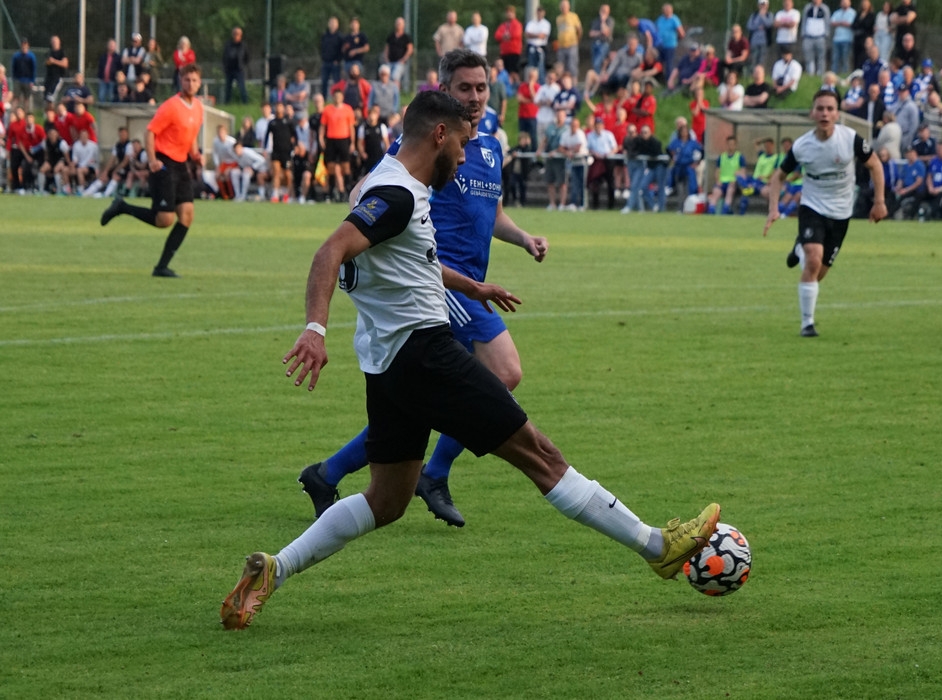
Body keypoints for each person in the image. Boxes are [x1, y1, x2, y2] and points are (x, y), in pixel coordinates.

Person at [218, 88, 721, 631]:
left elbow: (409, 258)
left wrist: (471, 287)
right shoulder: (397, 194)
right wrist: (315, 329)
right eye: (461, 142)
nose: (464, 156)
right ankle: (657, 548)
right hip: (427, 356)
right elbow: (330, 251)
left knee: (387, 500)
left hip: (388, 366)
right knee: (542, 457)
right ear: (439, 134)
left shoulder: (388, 182)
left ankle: (275, 568)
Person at [298, 49, 551, 528]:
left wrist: (523, 239)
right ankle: (434, 473)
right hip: (435, 279)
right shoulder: (424, 141)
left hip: (470, 283)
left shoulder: (489, 148)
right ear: (444, 91)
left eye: (481, 88)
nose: (474, 97)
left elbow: (493, 214)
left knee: (425, 398)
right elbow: (368, 190)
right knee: (504, 372)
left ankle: (327, 473)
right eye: (464, 88)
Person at [764, 89, 887, 338]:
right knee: (813, 260)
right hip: (812, 207)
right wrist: (773, 209)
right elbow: (778, 177)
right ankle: (807, 324)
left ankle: (799, 248)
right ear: (812, 113)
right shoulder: (802, 146)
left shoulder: (850, 139)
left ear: (837, 114)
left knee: (817, 273)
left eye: (830, 109)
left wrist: (879, 202)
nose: (825, 113)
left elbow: (875, 164)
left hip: (841, 213)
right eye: (820, 108)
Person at [99, 63, 204, 278]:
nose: (190, 84)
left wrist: (195, 154)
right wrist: (153, 160)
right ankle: (122, 207)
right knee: (164, 220)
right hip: (164, 162)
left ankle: (161, 267)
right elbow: (150, 132)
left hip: (181, 164)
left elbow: (191, 135)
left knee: (187, 216)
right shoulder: (171, 106)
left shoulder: (199, 108)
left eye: (194, 80)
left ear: (199, 83)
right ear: (180, 81)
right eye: (187, 80)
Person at [319, 88, 356, 202]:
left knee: (346, 166)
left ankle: (347, 192)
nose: (337, 98)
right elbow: (323, 126)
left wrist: (352, 142)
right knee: (330, 167)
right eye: (335, 96)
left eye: (339, 96)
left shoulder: (348, 109)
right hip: (331, 140)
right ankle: (330, 193)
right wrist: (321, 138)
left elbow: (351, 127)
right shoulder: (327, 110)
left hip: (343, 139)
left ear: (342, 97)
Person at [707, 135, 746, 214]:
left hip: (733, 183)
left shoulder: (740, 157)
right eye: (729, 144)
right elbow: (717, 171)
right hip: (722, 181)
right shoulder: (722, 157)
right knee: (716, 192)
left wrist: (736, 179)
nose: (730, 146)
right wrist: (718, 181)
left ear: (735, 145)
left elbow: (743, 173)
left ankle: (726, 209)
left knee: (730, 190)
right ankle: (711, 210)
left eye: (732, 144)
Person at [555, 0, 584, 81]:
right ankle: (562, 83)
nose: (563, 8)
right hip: (561, 46)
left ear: (568, 7)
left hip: (571, 45)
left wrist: (577, 40)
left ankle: (574, 84)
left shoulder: (573, 16)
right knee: (561, 66)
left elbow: (579, 30)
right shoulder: (558, 18)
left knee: (572, 66)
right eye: (562, 6)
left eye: (565, 6)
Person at [801, 0, 831, 76]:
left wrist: (826, 34)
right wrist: (803, 34)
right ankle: (810, 73)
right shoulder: (807, 8)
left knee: (821, 57)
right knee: (808, 57)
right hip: (808, 37)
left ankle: (820, 73)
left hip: (820, 37)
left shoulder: (825, 9)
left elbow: (827, 22)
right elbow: (804, 21)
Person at [655, 4, 685, 80]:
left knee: (669, 63)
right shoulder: (660, 19)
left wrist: (676, 39)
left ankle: (669, 80)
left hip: (670, 45)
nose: (666, 12)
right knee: (658, 62)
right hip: (660, 44)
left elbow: (681, 33)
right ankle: (659, 79)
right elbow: (656, 29)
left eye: (668, 10)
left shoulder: (674, 19)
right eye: (665, 10)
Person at [222, 27, 250, 104]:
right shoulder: (228, 45)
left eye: (238, 34)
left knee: (242, 87)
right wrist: (225, 66)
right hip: (229, 69)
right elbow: (224, 57)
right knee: (228, 88)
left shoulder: (243, 46)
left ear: (241, 35)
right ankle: (227, 103)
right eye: (234, 34)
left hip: (239, 70)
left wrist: (242, 65)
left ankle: (245, 103)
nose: (236, 36)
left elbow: (247, 57)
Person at [384, 17, 414, 90]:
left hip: (399, 62)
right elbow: (387, 48)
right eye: (397, 23)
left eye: (400, 24)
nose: (398, 25)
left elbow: (410, 49)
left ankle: (396, 93)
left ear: (403, 25)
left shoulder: (406, 37)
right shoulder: (391, 36)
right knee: (388, 77)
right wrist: (386, 58)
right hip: (390, 61)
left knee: (395, 77)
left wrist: (404, 59)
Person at [495, 6, 524, 77]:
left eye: (511, 12)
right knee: (505, 71)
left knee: (513, 72)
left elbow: (516, 34)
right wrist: (504, 36)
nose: (509, 14)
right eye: (508, 12)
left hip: (514, 52)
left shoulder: (517, 24)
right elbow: (497, 35)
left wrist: (507, 36)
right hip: (504, 52)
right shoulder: (503, 25)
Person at [747, 1, 775, 75]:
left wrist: (762, 16)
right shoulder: (754, 15)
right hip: (754, 41)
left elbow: (769, 24)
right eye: (761, 5)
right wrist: (758, 27)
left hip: (764, 41)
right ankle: (752, 74)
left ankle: (760, 74)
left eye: (764, 5)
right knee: (753, 59)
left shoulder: (769, 15)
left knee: (762, 59)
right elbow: (749, 26)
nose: (762, 6)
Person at [320, 17, 345, 99]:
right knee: (324, 81)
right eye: (331, 23)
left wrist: (338, 60)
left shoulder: (340, 37)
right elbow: (322, 47)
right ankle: (323, 98)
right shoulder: (325, 36)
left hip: (335, 63)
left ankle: (337, 98)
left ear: (337, 25)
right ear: (328, 24)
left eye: (334, 23)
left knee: (336, 82)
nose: (332, 25)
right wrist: (323, 57)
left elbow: (342, 50)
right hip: (326, 62)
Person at [830, 0, 856, 75]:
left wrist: (839, 23)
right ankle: (834, 74)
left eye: (846, 2)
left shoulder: (852, 13)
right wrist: (842, 23)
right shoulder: (837, 12)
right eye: (843, 2)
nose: (844, 3)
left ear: (849, 3)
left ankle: (845, 73)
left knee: (846, 58)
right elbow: (832, 22)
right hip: (836, 39)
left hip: (847, 39)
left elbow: (850, 24)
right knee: (835, 58)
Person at [44, 35, 69, 107]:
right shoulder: (49, 52)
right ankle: (48, 111)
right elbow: (46, 62)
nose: (54, 43)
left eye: (55, 42)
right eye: (53, 42)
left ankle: (53, 111)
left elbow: (65, 64)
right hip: (49, 78)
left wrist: (54, 61)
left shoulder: (62, 52)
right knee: (47, 97)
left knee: (51, 97)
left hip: (57, 78)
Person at [525, 6, 551, 72]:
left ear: (544, 13)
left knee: (541, 67)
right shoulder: (531, 23)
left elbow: (542, 36)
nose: (539, 14)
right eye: (538, 12)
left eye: (541, 12)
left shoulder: (546, 24)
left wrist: (533, 35)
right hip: (531, 46)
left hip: (541, 47)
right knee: (531, 67)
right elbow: (527, 34)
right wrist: (538, 35)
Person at [589, 4, 615, 74]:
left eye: (606, 11)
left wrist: (603, 21)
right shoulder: (596, 21)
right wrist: (600, 32)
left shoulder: (610, 21)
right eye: (603, 11)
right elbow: (591, 33)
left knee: (597, 63)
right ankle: (597, 76)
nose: (604, 12)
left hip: (604, 44)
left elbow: (606, 32)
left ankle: (598, 78)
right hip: (595, 43)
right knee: (594, 63)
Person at [97, 39, 122, 103]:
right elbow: (100, 67)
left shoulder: (118, 57)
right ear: (107, 46)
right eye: (110, 45)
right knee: (101, 96)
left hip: (112, 80)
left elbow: (120, 68)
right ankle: (102, 109)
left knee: (111, 97)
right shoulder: (103, 56)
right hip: (103, 80)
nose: (111, 47)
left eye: (113, 46)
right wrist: (99, 76)